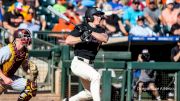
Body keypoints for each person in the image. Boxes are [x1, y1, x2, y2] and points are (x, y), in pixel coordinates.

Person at [63, 7, 108, 101]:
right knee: (96, 76)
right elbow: (68, 41)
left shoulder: (101, 30)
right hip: (79, 63)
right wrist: (81, 38)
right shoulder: (81, 27)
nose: (99, 17)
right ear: (89, 17)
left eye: (100, 15)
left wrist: (91, 32)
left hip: (90, 64)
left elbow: (105, 38)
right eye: (97, 15)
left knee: (90, 93)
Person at [0, 29, 38, 101]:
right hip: (2, 77)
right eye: (26, 36)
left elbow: (24, 68)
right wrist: (4, 78)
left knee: (31, 87)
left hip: (8, 77)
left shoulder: (24, 52)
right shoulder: (7, 50)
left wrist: (30, 70)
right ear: (18, 38)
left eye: (28, 36)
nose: (28, 38)